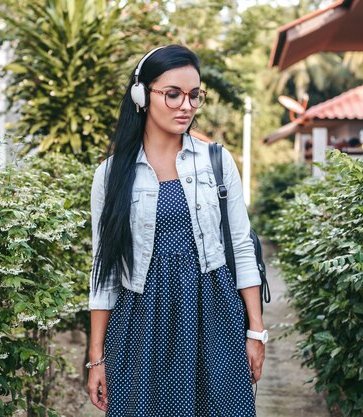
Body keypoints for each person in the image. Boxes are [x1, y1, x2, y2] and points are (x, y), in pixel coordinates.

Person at [87, 44, 267, 416]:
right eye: (172, 94)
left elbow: (242, 246)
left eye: (194, 96)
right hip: (140, 322)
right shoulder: (111, 175)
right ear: (142, 95)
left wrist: (255, 330)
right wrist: (96, 357)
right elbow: (102, 271)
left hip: (213, 316)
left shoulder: (217, 161)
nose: (185, 106)